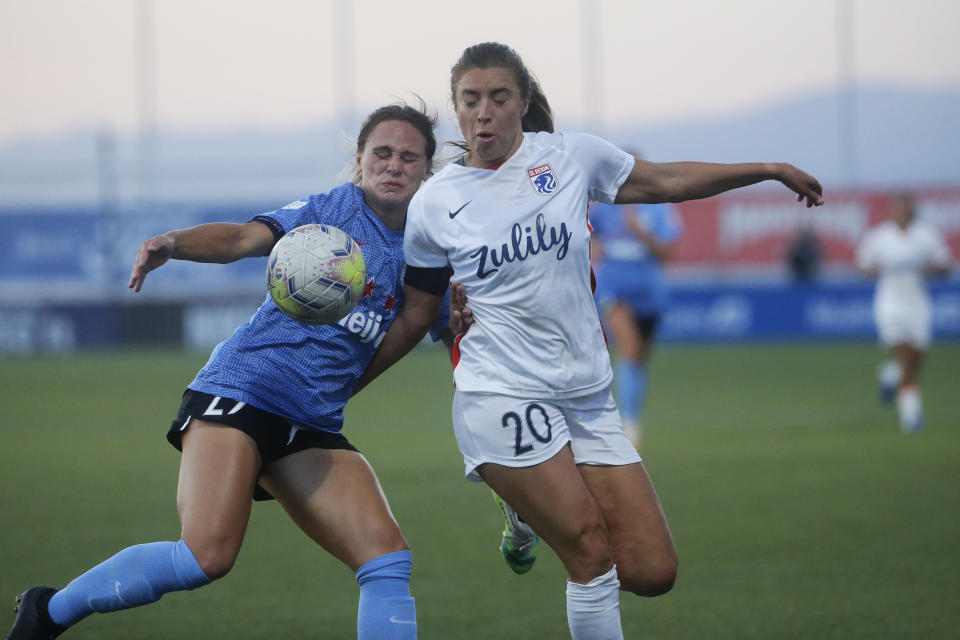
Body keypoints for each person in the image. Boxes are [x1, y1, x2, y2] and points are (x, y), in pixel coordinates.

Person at [353, 42, 824, 639]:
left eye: (499, 97)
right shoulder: (436, 202)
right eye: (470, 100)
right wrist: (350, 381)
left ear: (523, 102)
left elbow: (668, 180)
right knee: (591, 556)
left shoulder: (571, 156)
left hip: (585, 396)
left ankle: (524, 508)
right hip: (500, 395)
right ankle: (529, 496)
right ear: (456, 107)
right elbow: (418, 310)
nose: (484, 113)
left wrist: (767, 169)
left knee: (653, 570)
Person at [7, 101, 440, 640]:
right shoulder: (331, 212)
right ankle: (48, 611)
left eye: (408, 156)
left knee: (387, 561)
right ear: (359, 160)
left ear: (428, 168)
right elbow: (241, 239)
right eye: (382, 153)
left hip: (310, 423)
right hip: (241, 394)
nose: (394, 165)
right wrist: (174, 243)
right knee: (206, 556)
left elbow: (429, 321)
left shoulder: (428, 246)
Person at [589, 185, 683, 447]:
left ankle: (632, 413)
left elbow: (667, 253)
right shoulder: (605, 207)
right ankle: (628, 423)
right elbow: (590, 235)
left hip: (649, 292)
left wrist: (640, 231)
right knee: (629, 349)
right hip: (614, 289)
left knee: (639, 358)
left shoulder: (660, 208)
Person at [855, 192, 952, 433]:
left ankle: (890, 374)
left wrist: (933, 268)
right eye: (899, 206)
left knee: (915, 359)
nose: (904, 210)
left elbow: (945, 265)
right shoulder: (880, 237)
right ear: (892, 209)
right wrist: (878, 270)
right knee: (907, 355)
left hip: (918, 304)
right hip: (890, 304)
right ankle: (911, 416)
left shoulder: (926, 235)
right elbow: (864, 266)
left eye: (907, 205)